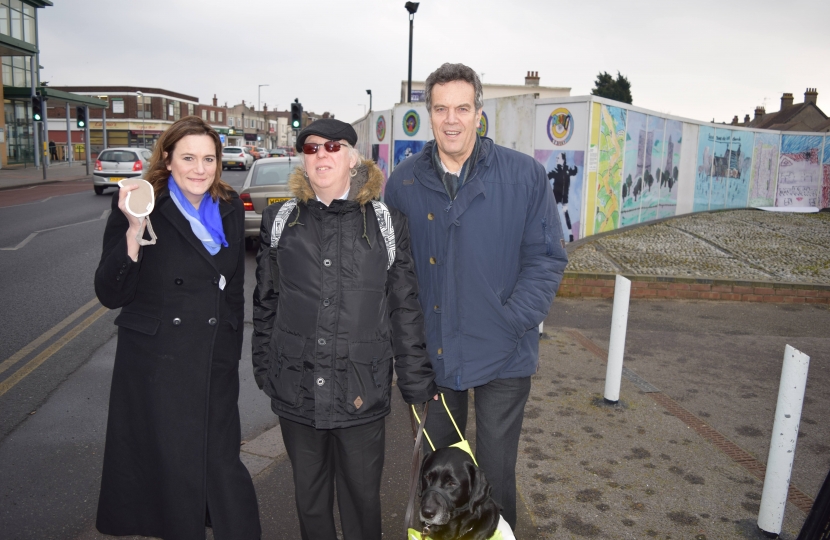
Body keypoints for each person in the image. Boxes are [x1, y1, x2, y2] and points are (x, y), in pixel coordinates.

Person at [385, 62, 569, 530]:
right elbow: (396, 275)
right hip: (435, 356)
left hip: (504, 354)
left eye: (462, 108)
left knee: (493, 476)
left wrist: (511, 321)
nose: (452, 119)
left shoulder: (524, 176)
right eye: (441, 108)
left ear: (478, 112)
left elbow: (546, 258)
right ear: (428, 112)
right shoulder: (403, 183)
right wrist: (409, 350)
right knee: (436, 479)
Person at [252, 118, 437, 540]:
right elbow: (266, 302)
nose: (321, 155)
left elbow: (403, 305)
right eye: (312, 148)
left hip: (361, 389)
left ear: (353, 158)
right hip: (296, 388)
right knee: (311, 503)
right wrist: (265, 368)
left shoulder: (386, 222)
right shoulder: (280, 220)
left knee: (361, 503)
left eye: (332, 147)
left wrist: (415, 382)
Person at [94, 116, 260, 540]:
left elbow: (235, 289)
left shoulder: (228, 204)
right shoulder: (144, 205)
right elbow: (111, 292)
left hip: (211, 361)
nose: (200, 169)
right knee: (171, 474)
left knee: (222, 466)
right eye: (188, 157)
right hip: (156, 366)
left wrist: (228, 354)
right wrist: (133, 232)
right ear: (167, 159)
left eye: (208, 158)